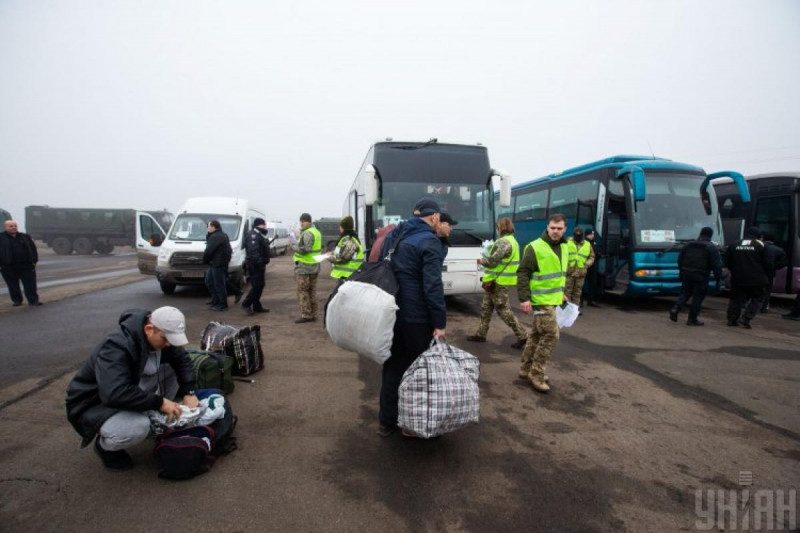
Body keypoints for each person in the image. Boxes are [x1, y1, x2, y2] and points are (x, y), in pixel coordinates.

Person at [65, 307, 197, 470]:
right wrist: (160, 402)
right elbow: (114, 393)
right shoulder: (116, 346)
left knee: (173, 367)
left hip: (126, 388)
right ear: (149, 329)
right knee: (138, 427)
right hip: (94, 403)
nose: (169, 343)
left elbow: (182, 359)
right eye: (165, 339)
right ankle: (105, 448)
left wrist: (189, 391)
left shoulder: (161, 334)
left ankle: (157, 416)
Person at [376, 197, 446, 437]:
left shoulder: (394, 236)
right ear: (434, 217)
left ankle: (387, 421)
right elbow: (432, 286)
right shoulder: (429, 241)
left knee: (393, 366)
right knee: (418, 370)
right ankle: (411, 425)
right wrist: (439, 322)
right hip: (416, 317)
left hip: (391, 311)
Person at [516, 213, 568, 393]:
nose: (555, 231)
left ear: (565, 229)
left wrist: (562, 294)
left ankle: (525, 369)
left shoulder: (565, 246)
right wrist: (524, 298)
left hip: (553, 300)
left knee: (537, 335)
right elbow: (523, 273)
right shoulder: (535, 247)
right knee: (552, 335)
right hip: (540, 301)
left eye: (559, 228)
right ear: (547, 227)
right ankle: (536, 374)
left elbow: (559, 274)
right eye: (552, 228)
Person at [467, 217, 528, 349]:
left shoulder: (503, 242)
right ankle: (481, 334)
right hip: (495, 281)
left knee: (503, 311)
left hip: (498, 282)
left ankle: (523, 336)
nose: (497, 229)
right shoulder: (513, 241)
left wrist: (481, 260)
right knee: (486, 308)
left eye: (497, 227)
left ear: (500, 228)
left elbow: (492, 262)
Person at [669, 227, 723, 326]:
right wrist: (718, 278)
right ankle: (692, 319)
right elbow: (716, 265)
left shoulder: (688, 245)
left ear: (700, 233)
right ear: (710, 235)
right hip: (701, 275)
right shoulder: (711, 247)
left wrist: (681, 271)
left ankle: (675, 308)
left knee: (685, 293)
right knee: (698, 297)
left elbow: (680, 260)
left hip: (686, 273)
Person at [726, 226, 772, 329]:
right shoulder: (761, 245)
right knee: (758, 298)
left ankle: (732, 320)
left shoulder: (735, 244)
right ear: (758, 235)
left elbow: (728, 261)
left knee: (736, 299)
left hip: (738, 278)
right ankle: (746, 318)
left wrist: (734, 270)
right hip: (756, 279)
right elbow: (768, 263)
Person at [0, 220, 41, 307]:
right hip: (8, 266)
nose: (13, 227)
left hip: (26, 265)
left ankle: (33, 301)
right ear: (6, 227)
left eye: (15, 226)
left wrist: (34, 261)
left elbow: (33, 249)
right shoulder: (1, 237)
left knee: (30, 284)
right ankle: (17, 300)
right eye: (11, 226)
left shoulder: (25, 236)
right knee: (13, 285)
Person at [292, 213, 322, 323]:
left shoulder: (308, 233)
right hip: (314, 266)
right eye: (301, 222)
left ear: (308, 222)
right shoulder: (316, 232)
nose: (301, 224)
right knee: (312, 291)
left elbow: (306, 249)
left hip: (305, 267)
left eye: (303, 222)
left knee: (303, 291)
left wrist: (293, 246)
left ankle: (306, 315)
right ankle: (314, 314)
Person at [241, 218, 271, 315]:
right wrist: (260, 262)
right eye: (264, 225)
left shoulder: (259, 234)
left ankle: (256, 306)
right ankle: (246, 304)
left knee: (260, 285)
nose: (265, 227)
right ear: (260, 225)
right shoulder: (253, 235)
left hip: (259, 264)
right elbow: (253, 252)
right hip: (255, 265)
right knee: (257, 286)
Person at [203, 220, 232, 311]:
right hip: (215, 263)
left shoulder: (216, 236)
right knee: (209, 281)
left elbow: (208, 251)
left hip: (218, 263)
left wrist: (204, 260)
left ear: (213, 227)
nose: (207, 228)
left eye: (208, 226)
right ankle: (215, 300)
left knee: (219, 284)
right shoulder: (220, 235)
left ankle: (223, 304)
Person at [328, 216, 364, 282]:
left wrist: (328, 256)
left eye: (340, 227)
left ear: (343, 227)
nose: (340, 229)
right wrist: (332, 253)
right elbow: (341, 252)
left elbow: (342, 258)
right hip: (348, 275)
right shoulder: (348, 239)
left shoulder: (349, 240)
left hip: (348, 276)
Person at [564, 227, 595, 306]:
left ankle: (575, 309)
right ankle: (566, 309)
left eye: (579, 236)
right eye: (576, 235)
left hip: (580, 272)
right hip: (569, 272)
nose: (578, 237)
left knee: (577, 293)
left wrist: (587, 264)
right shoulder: (567, 242)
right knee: (567, 292)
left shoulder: (587, 245)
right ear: (574, 235)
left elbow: (592, 257)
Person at [759, 233, 787, 313]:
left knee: (756, 289)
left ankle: (753, 307)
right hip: (771, 273)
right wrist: (774, 267)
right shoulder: (779, 250)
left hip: (758, 272)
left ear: (763, 238)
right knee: (767, 290)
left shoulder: (759, 247)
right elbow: (783, 263)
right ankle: (764, 307)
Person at [581, 228, 600, 307]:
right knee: (582, 284)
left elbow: (596, 253)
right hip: (585, 265)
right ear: (587, 235)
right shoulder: (583, 243)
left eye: (593, 234)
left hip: (593, 266)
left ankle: (590, 300)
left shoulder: (594, 243)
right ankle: (580, 301)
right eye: (591, 234)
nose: (592, 236)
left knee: (593, 283)